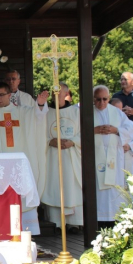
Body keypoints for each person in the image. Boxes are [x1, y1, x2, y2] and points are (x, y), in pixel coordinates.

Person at [0, 82, 49, 234]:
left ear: (10, 96)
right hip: (0, 163)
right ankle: (3, 229)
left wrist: (39, 104)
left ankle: (26, 230)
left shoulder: (23, 111)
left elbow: (37, 116)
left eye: (1, 95)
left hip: (20, 162)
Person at [42, 82, 83, 231]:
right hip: (53, 156)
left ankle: (74, 223)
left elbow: (83, 132)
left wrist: (73, 142)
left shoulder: (76, 112)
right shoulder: (45, 112)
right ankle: (57, 223)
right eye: (54, 94)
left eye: (59, 93)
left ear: (66, 94)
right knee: (54, 184)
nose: (56, 96)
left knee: (72, 186)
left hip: (72, 155)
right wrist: (49, 141)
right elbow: (38, 133)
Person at [93, 85, 133, 226]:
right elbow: (79, 131)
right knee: (99, 190)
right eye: (98, 99)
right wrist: (94, 130)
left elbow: (131, 128)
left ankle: (114, 219)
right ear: (93, 99)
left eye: (105, 99)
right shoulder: (87, 112)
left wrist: (116, 130)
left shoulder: (116, 113)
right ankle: (98, 219)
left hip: (113, 159)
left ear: (109, 98)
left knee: (113, 190)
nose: (102, 102)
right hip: (95, 157)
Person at [110, 98, 133, 176]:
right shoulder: (104, 124)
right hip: (111, 160)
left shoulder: (130, 123)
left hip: (126, 160)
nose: (118, 112)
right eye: (115, 109)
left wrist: (129, 146)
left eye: (120, 109)